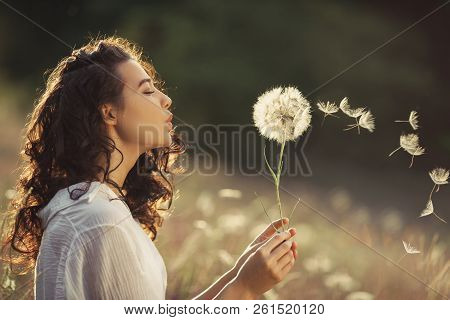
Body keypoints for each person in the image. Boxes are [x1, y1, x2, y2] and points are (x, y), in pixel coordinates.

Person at [1, 36, 298, 300]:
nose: (165, 99)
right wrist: (245, 289)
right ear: (109, 112)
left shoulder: (95, 206)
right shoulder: (100, 220)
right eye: (146, 91)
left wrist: (236, 275)